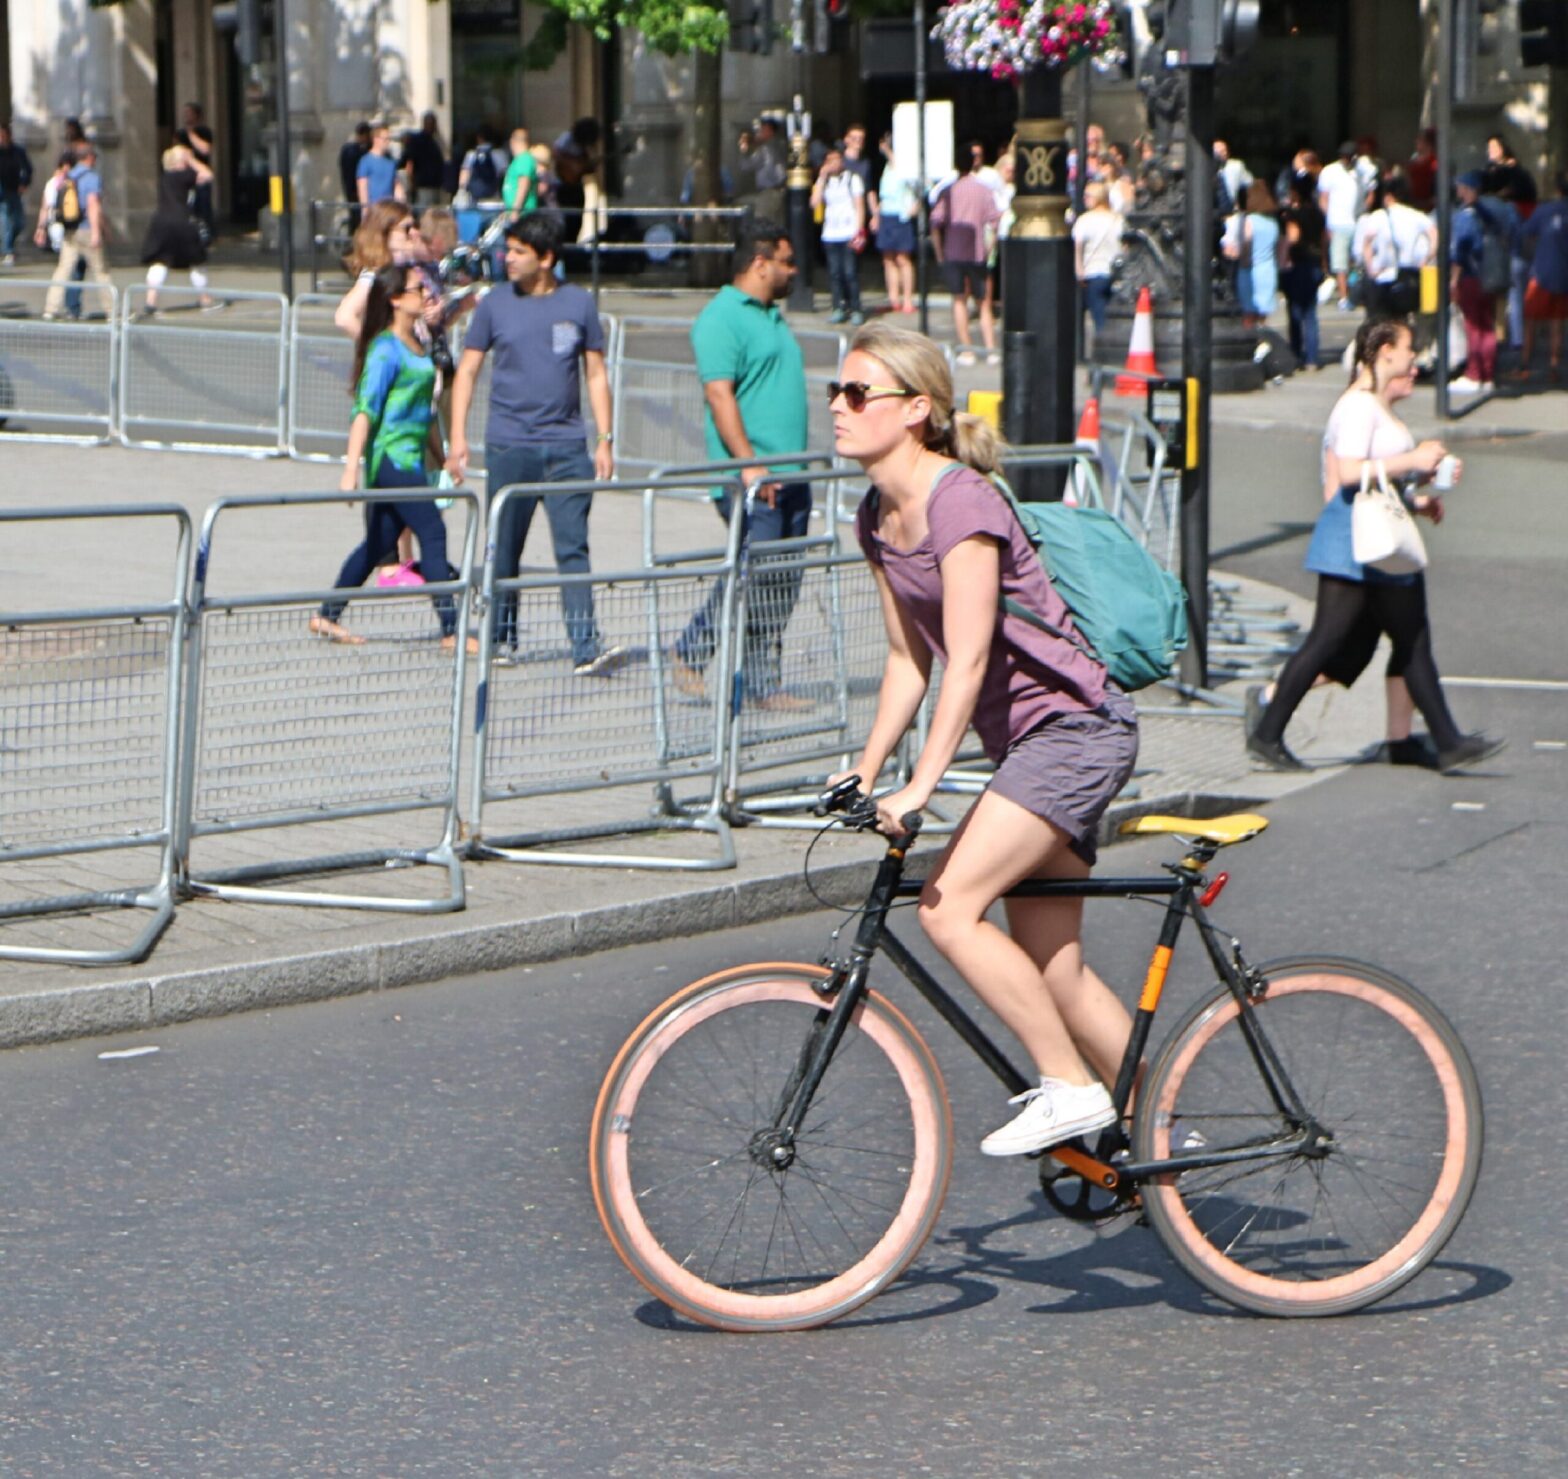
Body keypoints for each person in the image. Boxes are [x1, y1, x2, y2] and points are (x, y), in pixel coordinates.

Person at [834, 321, 1139, 1156]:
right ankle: (1162, 1137)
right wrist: (863, 775)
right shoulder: (876, 515)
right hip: (1033, 746)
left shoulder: (959, 500)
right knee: (1055, 967)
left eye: (858, 392)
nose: (837, 405)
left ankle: (1071, 1088)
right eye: (836, 390)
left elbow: (966, 661)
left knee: (947, 908)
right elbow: (909, 661)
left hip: (1074, 730)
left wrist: (921, 787)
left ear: (915, 409)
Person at [1246, 317, 1502, 776]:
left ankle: (1436, 741)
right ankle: (1268, 731)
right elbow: (1347, 474)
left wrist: (1418, 492)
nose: (1414, 359)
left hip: (1374, 537)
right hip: (1355, 539)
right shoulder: (1357, 406)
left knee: (1404, 640)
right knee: (1340, 642)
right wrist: (1413, 459)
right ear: (1384, 350)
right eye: (1408, 349)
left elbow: (1376, 477)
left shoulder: (1373, 406)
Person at [445, 212, 623, 677]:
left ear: (546, 258)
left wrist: (604, 438)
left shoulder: (578, 304)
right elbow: (467, 371)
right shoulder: (493, 305)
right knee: (504, 547)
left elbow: (596, 374)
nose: (508, 258)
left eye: (519, 251)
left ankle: (585, 645)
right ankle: (502, 638)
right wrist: (458, 437)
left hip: (566, 448)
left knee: (573, 547)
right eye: (509, 249)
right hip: (509, 445)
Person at [669, 220, 813, 713]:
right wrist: (748, 465)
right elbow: (718, 393)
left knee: (781, 582)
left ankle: (762, 683)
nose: (793, 271)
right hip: (753, 477)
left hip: (791, 471)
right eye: (786, 262)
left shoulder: (771, 315)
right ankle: (691, 651)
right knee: (753, 571)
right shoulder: (720, 318)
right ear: (760, 263)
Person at [310, 263, 467, 650]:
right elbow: (365, 410)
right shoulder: (384, 349)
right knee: (432, 531)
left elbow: (425, 413)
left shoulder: (418, 343)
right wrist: (350, 469)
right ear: (396, 299)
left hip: (413, 456)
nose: (427, 294)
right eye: (418, 289)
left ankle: (326, 615)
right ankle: (451, 630)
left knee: (377, 543)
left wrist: (442, 455)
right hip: (390, 458)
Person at [930, 152, 1001, 366]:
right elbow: (995, 220)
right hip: (977, 252)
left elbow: (936, 222)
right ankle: (990, 349)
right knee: (984, 303)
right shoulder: (983, 189)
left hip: (953, 252)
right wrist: (989, 247)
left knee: (959, 299)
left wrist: (939, 252)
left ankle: (967, 350)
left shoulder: (948, 191)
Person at [1450, 170, 1516, 393]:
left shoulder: (1466, 215)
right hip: (1492, 275)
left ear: (1467, 188)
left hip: (1470, 276)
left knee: (1472, 325)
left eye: (1460, 186)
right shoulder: (1500, 209)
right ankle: (1488, 376)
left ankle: (1474, 374)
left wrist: (1453, 279)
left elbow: (1460, 249)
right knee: (1488, 325)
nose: (1457, 190)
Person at [139, 139, 217, 314]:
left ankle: (150, 301)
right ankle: (204, 298)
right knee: (197, 260)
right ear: (180, 161)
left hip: (160, 222)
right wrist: (192, 161)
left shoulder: (165, 177)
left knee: (160, 261)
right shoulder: (185, 175)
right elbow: (208, 175)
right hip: (182, 221)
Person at [334, 199, 426, 337]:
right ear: (385, 233)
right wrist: (376, 348)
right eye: (406, 228)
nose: (414, 233)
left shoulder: (408, 268)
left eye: (415, 226)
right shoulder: (376, 273)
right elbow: (344, 317)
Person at [42, 143, 113, 321]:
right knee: (101, 271)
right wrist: (98, 232)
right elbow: (93, 205)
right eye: (94, 156)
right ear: (89, 157)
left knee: (63, 269)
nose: (95, 159)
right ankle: (112, 311)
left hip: (70, 229)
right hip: (87, 229)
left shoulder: (69, 176)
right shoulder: (91, 177)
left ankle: (50, 309)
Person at [1356, 173, 1436, 323]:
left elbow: (1366, 243)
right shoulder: (1417, 216)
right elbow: (1434, 235)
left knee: (1381, 323)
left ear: (1388, 196)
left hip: (1383, 276)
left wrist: (1371, 268)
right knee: (1403, 322)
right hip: (1408, 276)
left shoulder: (1379, 216)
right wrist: (1427, 258)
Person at [1517, 169, 1568, 380]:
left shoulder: (1544, 210)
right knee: (1557, 323)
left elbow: (1525, 232)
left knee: (1531, 321)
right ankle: (1553, 367)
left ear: (1556, 188)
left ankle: (1525, 366)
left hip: (1541, 273)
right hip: (1564, 275)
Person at [812, 148, 866, 326]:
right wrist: (821, 177)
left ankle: (856, 307)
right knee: (834, 273)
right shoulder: (825, 181)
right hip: (830, 233)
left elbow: (859, 206)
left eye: (837, 160)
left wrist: (859, 231)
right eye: (830, 161)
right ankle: (838, 307)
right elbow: (814, 203)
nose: (834, 164)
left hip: (848, 231)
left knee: (850, 272)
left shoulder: (852, 179)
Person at [1280, 177, 1326, 368]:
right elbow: (1324, 239)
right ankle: (1312, 358)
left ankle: (1297, 353)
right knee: (1311, 313)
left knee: (1295, 312)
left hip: (1298, 265)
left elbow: (1293, 237)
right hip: (1315, 263)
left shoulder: (1293, 214)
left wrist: (1283, 259)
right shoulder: (1318, 213)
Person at [873, 133, 918, 315]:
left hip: (901, 215)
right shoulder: (886, 167)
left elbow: (917, 186)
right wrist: (876, 214)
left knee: (903, 259)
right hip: (887, 214)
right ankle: (893, 298)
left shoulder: (905, 164)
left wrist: (888, 151)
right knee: (888, 259)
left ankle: (907, 299)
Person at [1317, 140, 1364, 311]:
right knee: (1340, 264)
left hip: (1357, 222)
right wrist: (1329, 220)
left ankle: (1354, 293)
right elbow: (1324, 198)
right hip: (1338, 223)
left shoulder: (1359, 172)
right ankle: (1344, 297)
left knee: (1356, 262)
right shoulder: (1330, 171)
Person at [1072, 181, 1123, 337]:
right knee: (1114, 315)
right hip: (1115, 273)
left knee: (1098, 316)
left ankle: (1103, 348)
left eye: (1088, 196)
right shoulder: (1118, 219)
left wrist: (1079, 270)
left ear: (1098, 198)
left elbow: (1078, 248)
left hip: (1093, 273)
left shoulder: (1085, 220)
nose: (1084, 199)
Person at [1236, 179, 1280, 331]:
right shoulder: (1272, 223)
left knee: (1248, 315)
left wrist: (1242, 260)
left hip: (1250, 271)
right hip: (1268, 270)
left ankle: (1249, 346)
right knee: (1262, 318)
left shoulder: (1248, 221)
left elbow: (1246, 244)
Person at [736, 117, 786, 223]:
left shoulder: (765, 149)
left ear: (769, 131)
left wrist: (744, 151)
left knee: (763, 223)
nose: (759, 133)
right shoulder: (779, 145)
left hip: (769, 192)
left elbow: (746, 166)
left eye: (762, 130)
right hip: (778, 191)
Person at [180, 102, 216, 237]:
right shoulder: (181, 134)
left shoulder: (204, 132)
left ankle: (207, 235)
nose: (186, 116)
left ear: (197, 115)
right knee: (188, 207)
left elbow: (205, 150)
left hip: (202, 177)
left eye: (189, 112)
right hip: (186, 176)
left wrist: (191, 134)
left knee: (203, 207)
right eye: (185, 112)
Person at [0, 122, 34, 266]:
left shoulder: (18, 151)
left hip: (15, 190)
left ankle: (9, 244)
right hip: (1, 192)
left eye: (2, 135)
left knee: (19, 222)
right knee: (6, 220)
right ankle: (8, 251)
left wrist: (24, 183)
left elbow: (28, 169)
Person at [401, 112, 447, 209]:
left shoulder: (436, 141)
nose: (433, 127)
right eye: (431, 124)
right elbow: (408, 162)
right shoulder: (416, 140)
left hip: (436, 185)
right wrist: (412, 182)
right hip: (422, 186)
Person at [357, 122, 403, 207]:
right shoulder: (365, 161)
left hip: (389, 209)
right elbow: (362, 187)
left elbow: (397, 186)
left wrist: (401, 207)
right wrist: (365, 210)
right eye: (385, 139)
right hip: (373, 210)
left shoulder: (391, 162)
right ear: (376, 139)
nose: (388, 142)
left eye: (389, 139)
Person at [457, 128, 506, 205]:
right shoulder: (499, 154)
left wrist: (461, 191)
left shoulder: (471, 154)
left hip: (474, 196)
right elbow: (504, 174)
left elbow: (464, 175)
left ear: (479, 138)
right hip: (493, 195)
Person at [339, 121, 372, 231]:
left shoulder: (348, 150)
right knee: (358, 220)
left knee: (356, 219)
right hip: (357, 190)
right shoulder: (354, 151)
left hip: (352, 189)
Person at [502, 127, 539, 213]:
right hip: (515, 213)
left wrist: (516, 211)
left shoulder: (524, 159)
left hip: (523, 214)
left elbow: (523, 184)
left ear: (513, 141)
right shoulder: (518, 160)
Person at [1214, 139, 1252, 213]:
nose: (1224, 153)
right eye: (1220, 152)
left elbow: (1249, 183)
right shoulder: (1206, 170)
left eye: (1225, 150)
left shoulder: (1236, 166)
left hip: (1232, 212)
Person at [1406, 128, 1438, 213]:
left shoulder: (1434, 162)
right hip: (1414, 203)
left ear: (1428, 143)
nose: (1416, 142)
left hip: (1429, 205)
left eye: (1420, 140)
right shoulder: (1414, 159)